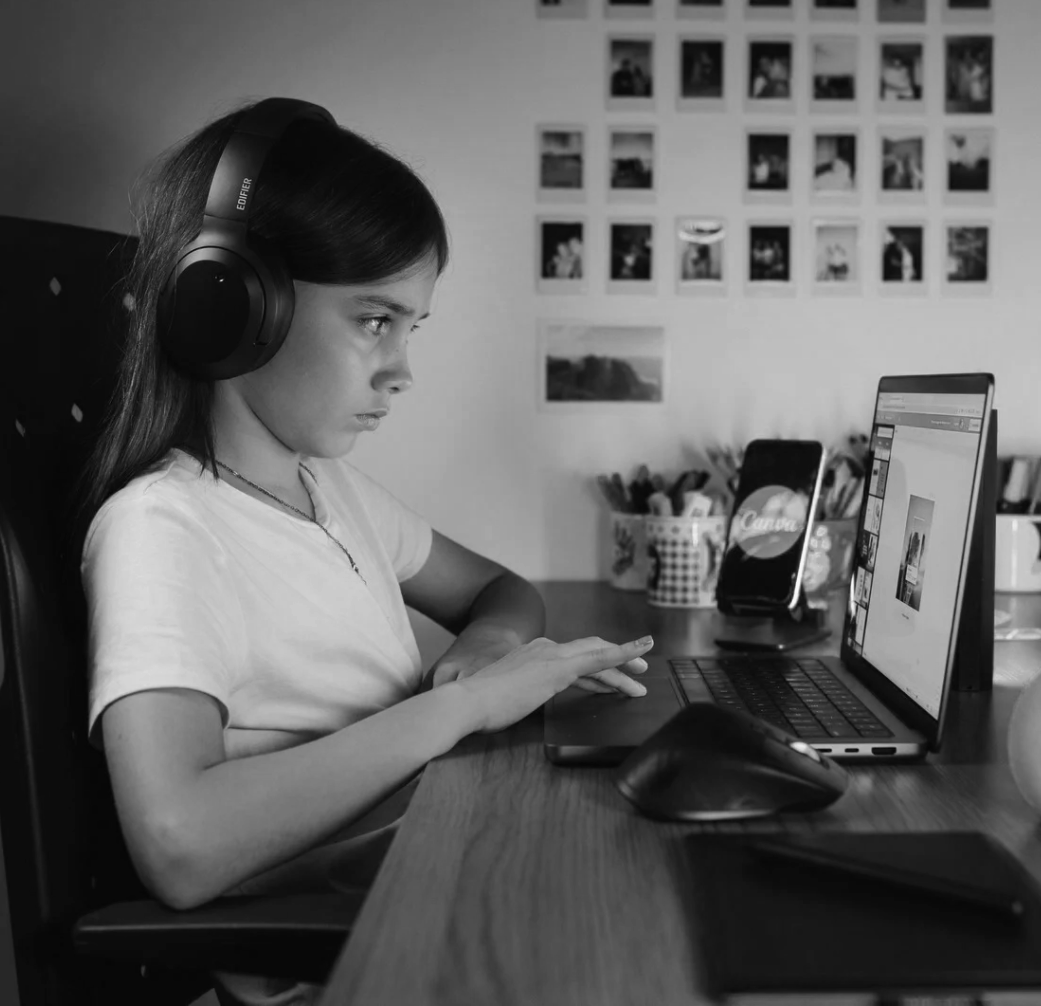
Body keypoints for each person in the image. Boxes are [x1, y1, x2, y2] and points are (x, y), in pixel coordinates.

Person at [67, 98, 654, 1006]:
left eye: (411, 328)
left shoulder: (329, 491)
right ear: (233, 303)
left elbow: (500, 591)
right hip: (352, 958)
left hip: (424, 870)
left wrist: (483, 659)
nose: (402, 370)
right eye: (375, 321)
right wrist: (457, 714)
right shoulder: (165, 529)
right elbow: (180, 842)